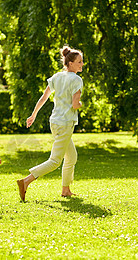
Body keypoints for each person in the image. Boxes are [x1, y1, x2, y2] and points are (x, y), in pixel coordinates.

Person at [16, 45, 84, 202]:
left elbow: (44, 97)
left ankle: (66, 190)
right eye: (79, 62)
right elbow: (75, 104)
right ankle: (25, 181)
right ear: (71, 63)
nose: (82, 65)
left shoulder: (57, 77)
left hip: (55, 122)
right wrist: (80, 104)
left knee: (71, 156)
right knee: (55, 161)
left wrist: (33, 115)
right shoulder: (77, 80)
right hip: (66, 123)